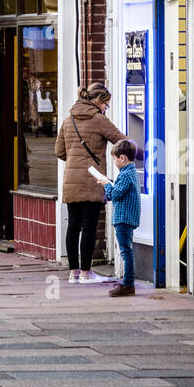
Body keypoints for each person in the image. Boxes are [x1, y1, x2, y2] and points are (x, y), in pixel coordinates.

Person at [55, 83, 133, 284]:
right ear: (98, 101)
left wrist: (75, 158)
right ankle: (87, 273)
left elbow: (59, 152)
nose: (106, 108)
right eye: (106, 104)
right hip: (93, 179)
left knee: (73, 225)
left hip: (71, 180)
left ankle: (73, 273)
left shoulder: (68, 119)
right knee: (89, 225)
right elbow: (122, 142)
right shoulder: (99, 120)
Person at [95, 138, 141, 297]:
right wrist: (110, 182)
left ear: (122, 158)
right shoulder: (131, 173)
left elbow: (115, 194)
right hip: (128, 217)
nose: (114, 162)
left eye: (114, 159)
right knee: (127, 251)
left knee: (126, 252)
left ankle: (128, 285)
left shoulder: (125, 175)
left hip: (123, 218)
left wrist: (105, 184)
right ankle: (128, 284)